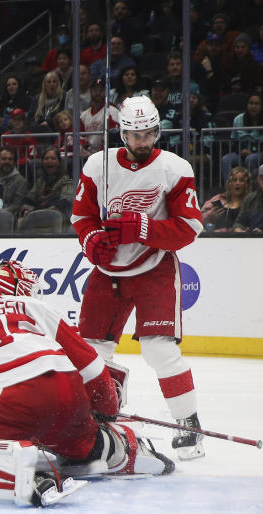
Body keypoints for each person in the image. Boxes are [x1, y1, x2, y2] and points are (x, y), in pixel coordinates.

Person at [0, 260, 173, 476]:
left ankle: (23, 464)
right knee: (76, 440)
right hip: (67, 389)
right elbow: (91, 365)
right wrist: (106, 410)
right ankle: (117, 445)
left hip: (9, 398)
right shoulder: (35, 308)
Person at [70, 95, 206, 460]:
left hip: (154, 268)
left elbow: (189, 227)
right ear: (122, 133)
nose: (143, 141)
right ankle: (102, 418)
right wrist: (90, 239)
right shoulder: (98, 164)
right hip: (107, 272)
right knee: (92, 352)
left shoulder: (175, 169)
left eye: (149, 134)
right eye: (135, 135)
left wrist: (143, 227)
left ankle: (188, 423)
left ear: (157, 131)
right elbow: (81, 215)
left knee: (159, 349)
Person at [19, 147, 73, 225]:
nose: (49, 161)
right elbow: (28, 198)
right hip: (37, 217)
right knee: (20, 222)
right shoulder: (40, 181)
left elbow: (65, 202)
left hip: (57, 218)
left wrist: (42, 212)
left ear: (59, 162)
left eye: (53, 158)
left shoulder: (67, 181)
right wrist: (26, 210)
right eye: (46, 158)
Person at [200, 166, 252, 231]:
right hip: (218, 238)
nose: (237, 183)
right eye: (234, 180)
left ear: (247, 184)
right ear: (230, 183)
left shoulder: (252, 202)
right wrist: (209, 217)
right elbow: (199, 219)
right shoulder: (219, 199)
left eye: (241, 180)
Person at [0, 145, 28, 216]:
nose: (7, 162)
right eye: (4, 159)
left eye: (10, 159)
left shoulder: (21, 181)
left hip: (8, 218)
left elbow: (16, 206)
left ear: (14, 162)